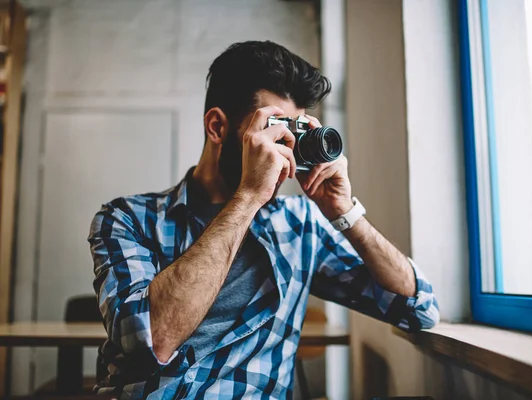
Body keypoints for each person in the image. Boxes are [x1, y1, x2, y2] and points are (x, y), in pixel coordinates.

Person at [88, 40, 439, 399]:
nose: (285, 149)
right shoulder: (127, 218)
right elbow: (150, 341)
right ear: (217, 127)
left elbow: (419, 310)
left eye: (293, 134)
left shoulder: (300, 226)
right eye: (274, 131)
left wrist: (344, 211)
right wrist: (247, 197)